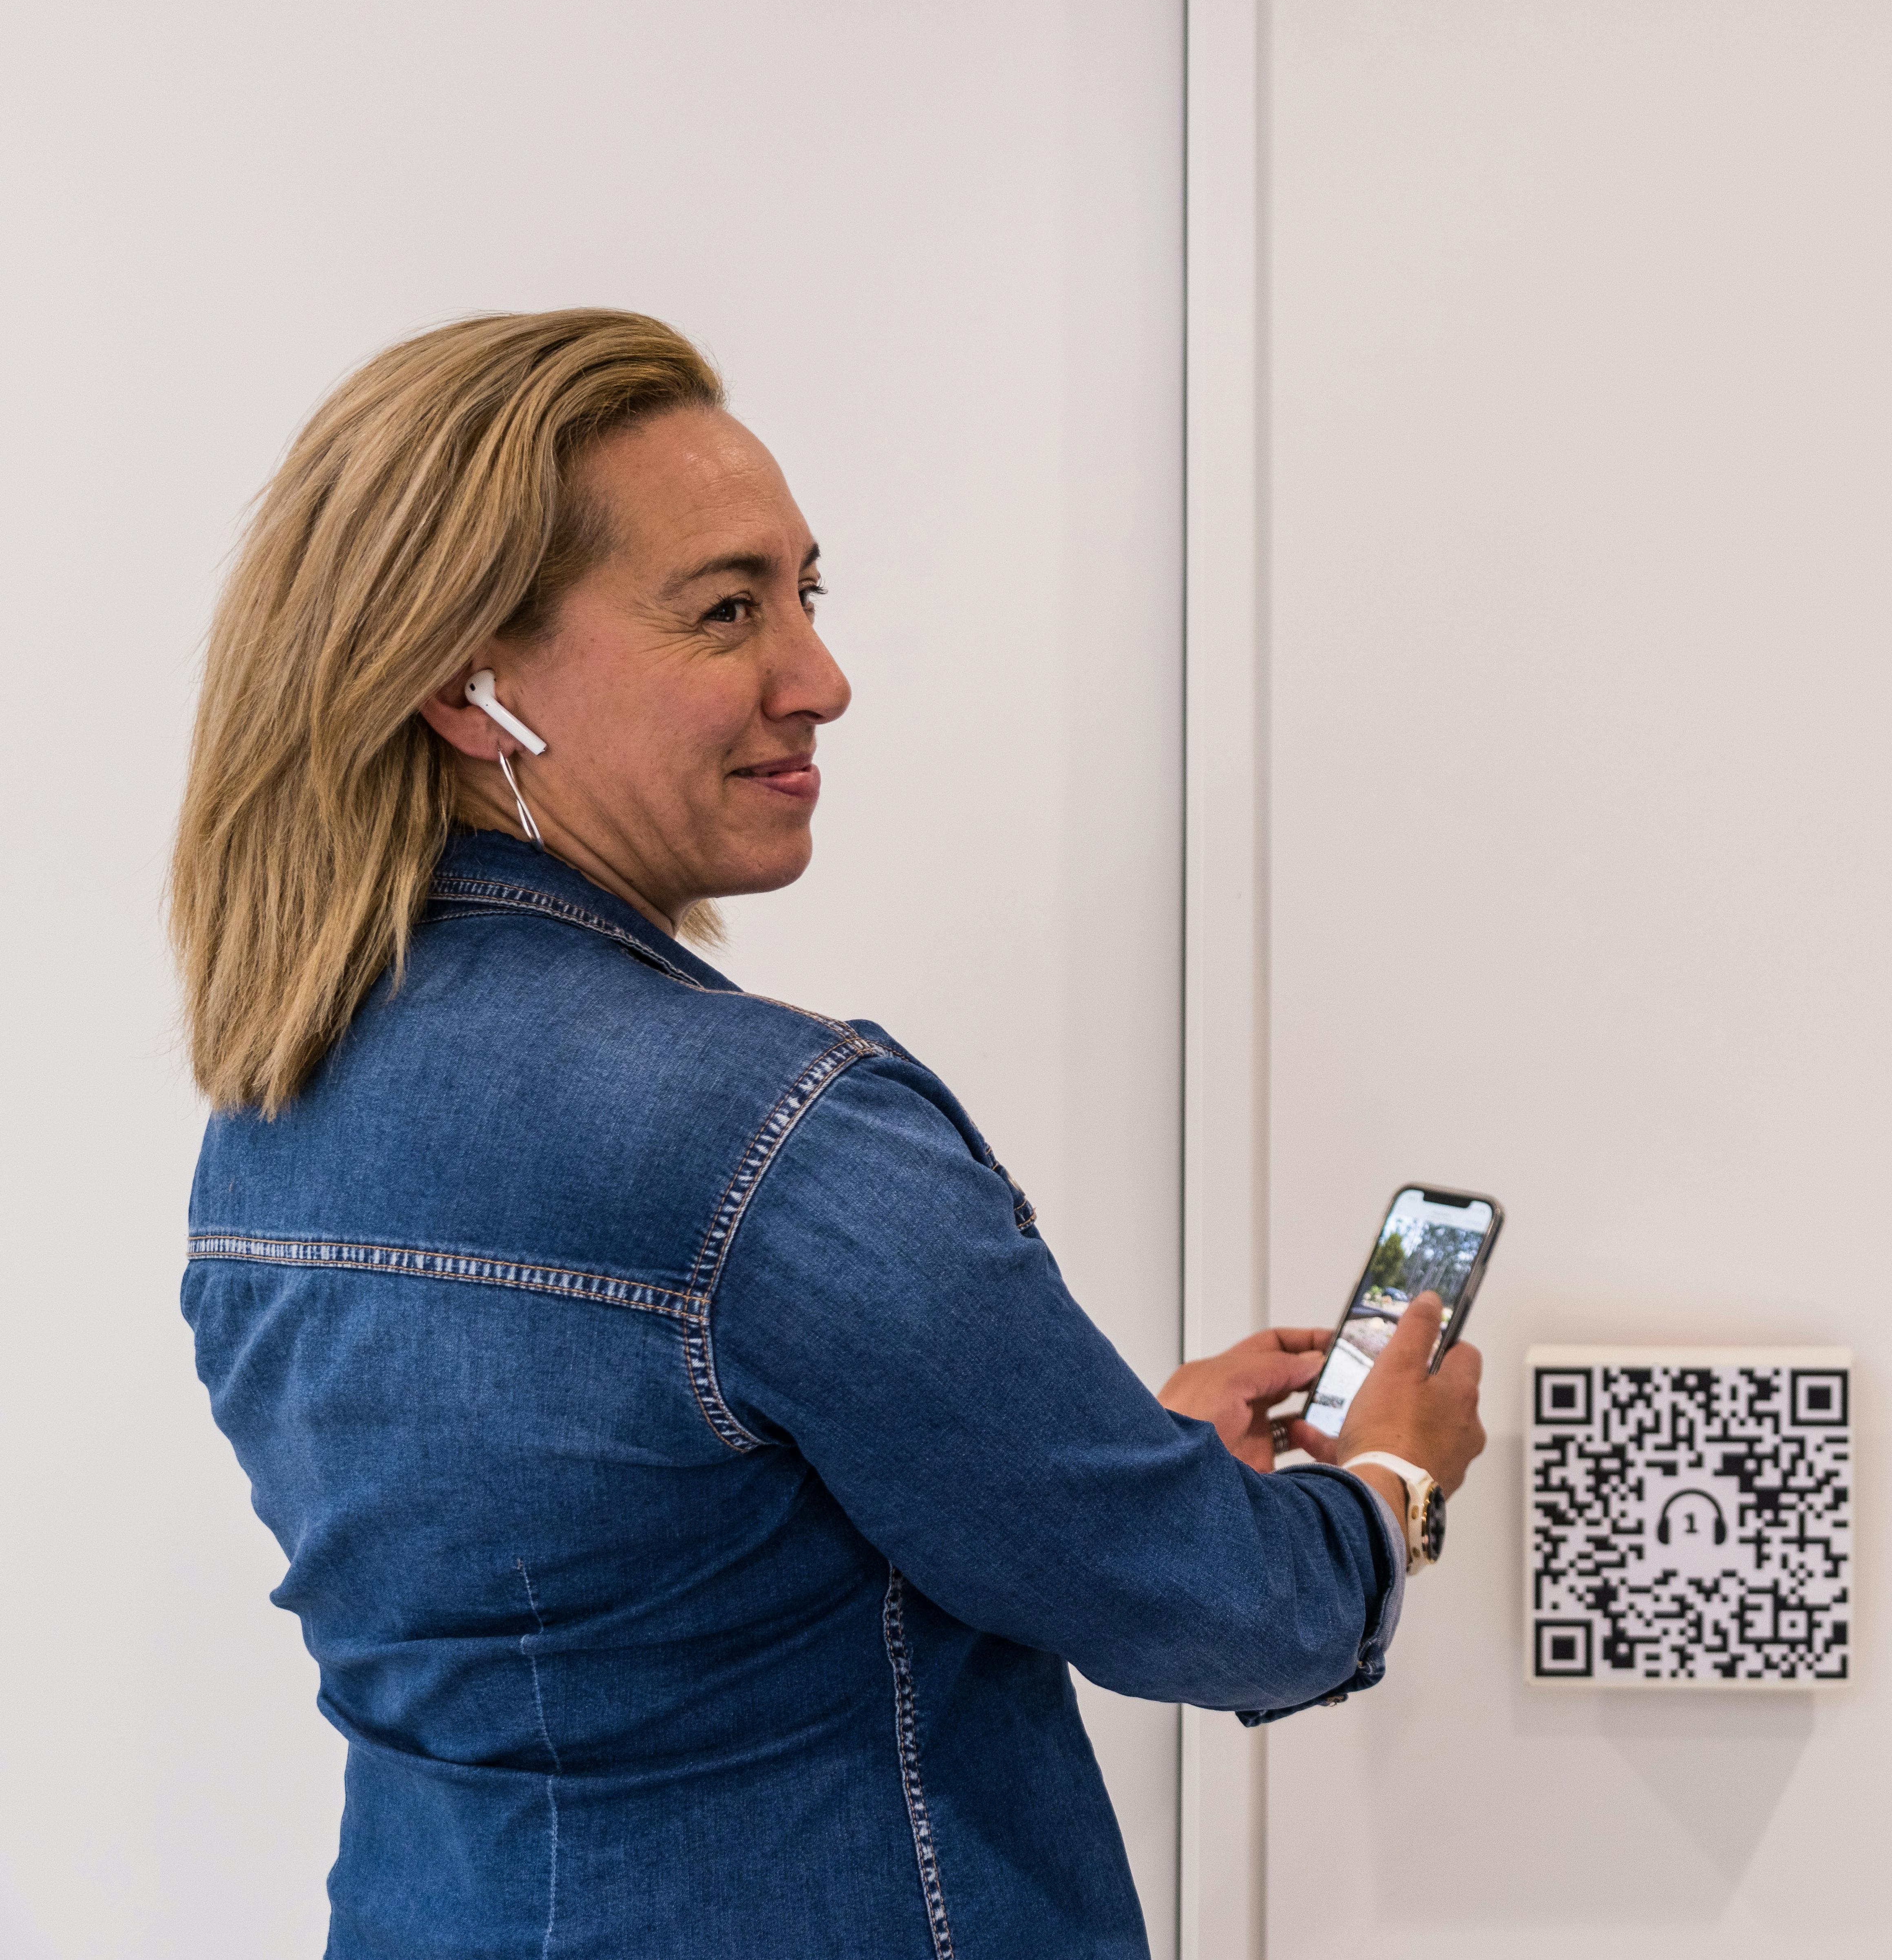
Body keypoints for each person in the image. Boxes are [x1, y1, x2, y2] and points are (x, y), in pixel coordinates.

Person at [168, 311, 1488, 1959]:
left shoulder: (273, 1111)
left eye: (807, 594)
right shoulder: (774, 1137)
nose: (822, 678)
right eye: (727, 610)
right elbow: (1238, 1614)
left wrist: (1094, 1444)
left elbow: (636, 1602)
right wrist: (1384, 1474)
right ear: (464, 679)